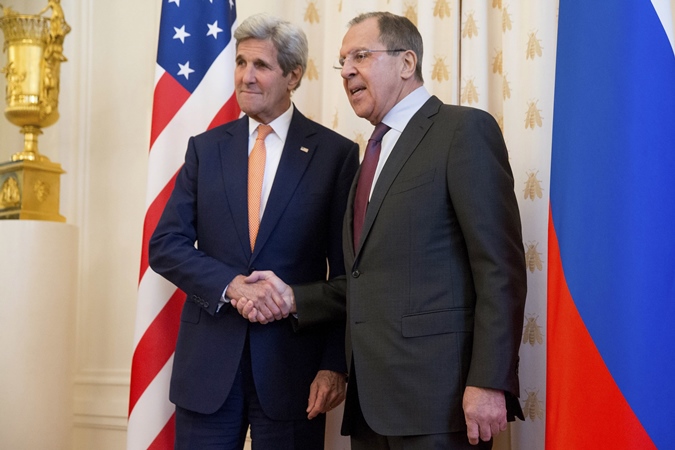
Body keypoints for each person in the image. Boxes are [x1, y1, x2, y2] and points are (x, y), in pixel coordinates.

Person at [234, 11, 527, 450]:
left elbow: (499, 268)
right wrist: (294, 297)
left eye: (361, 55)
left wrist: (489, 381)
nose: (347, 69)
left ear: (407, 63)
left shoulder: (462, 131)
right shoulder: (367, 154)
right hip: (371, 407)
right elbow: (364, 279)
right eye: (343, 61)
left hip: (440, 405)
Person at [149, 13, 359, 450]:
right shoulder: (205, 150)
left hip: (293, 375)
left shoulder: (335, 155)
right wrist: (231, 286)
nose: (246, 76)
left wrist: (333, 364)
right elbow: (165, 246)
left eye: (260, 65)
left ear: (293, 74)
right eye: (241, 63)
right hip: (208, 373)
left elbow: (347, 276)